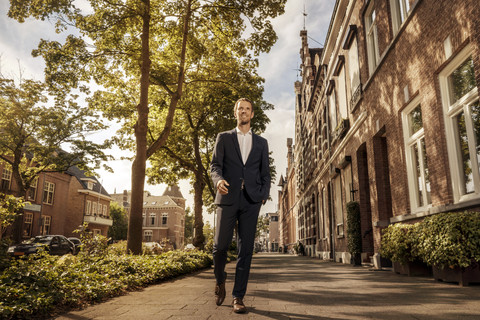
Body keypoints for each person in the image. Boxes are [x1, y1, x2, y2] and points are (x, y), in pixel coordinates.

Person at [210, 98, 271, 313]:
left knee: (246, 249)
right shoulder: (223, 138)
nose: (243, 112)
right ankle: (220, 280)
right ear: (235, 113)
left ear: (252, 114)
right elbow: (215, 166)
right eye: (240, 109)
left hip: (251, 201)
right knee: (220, 247)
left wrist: (263, 194)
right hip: (227, 198)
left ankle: (238, 297)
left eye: (247, 109)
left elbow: (266, 173)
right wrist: (218, 181)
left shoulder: (262, 143)